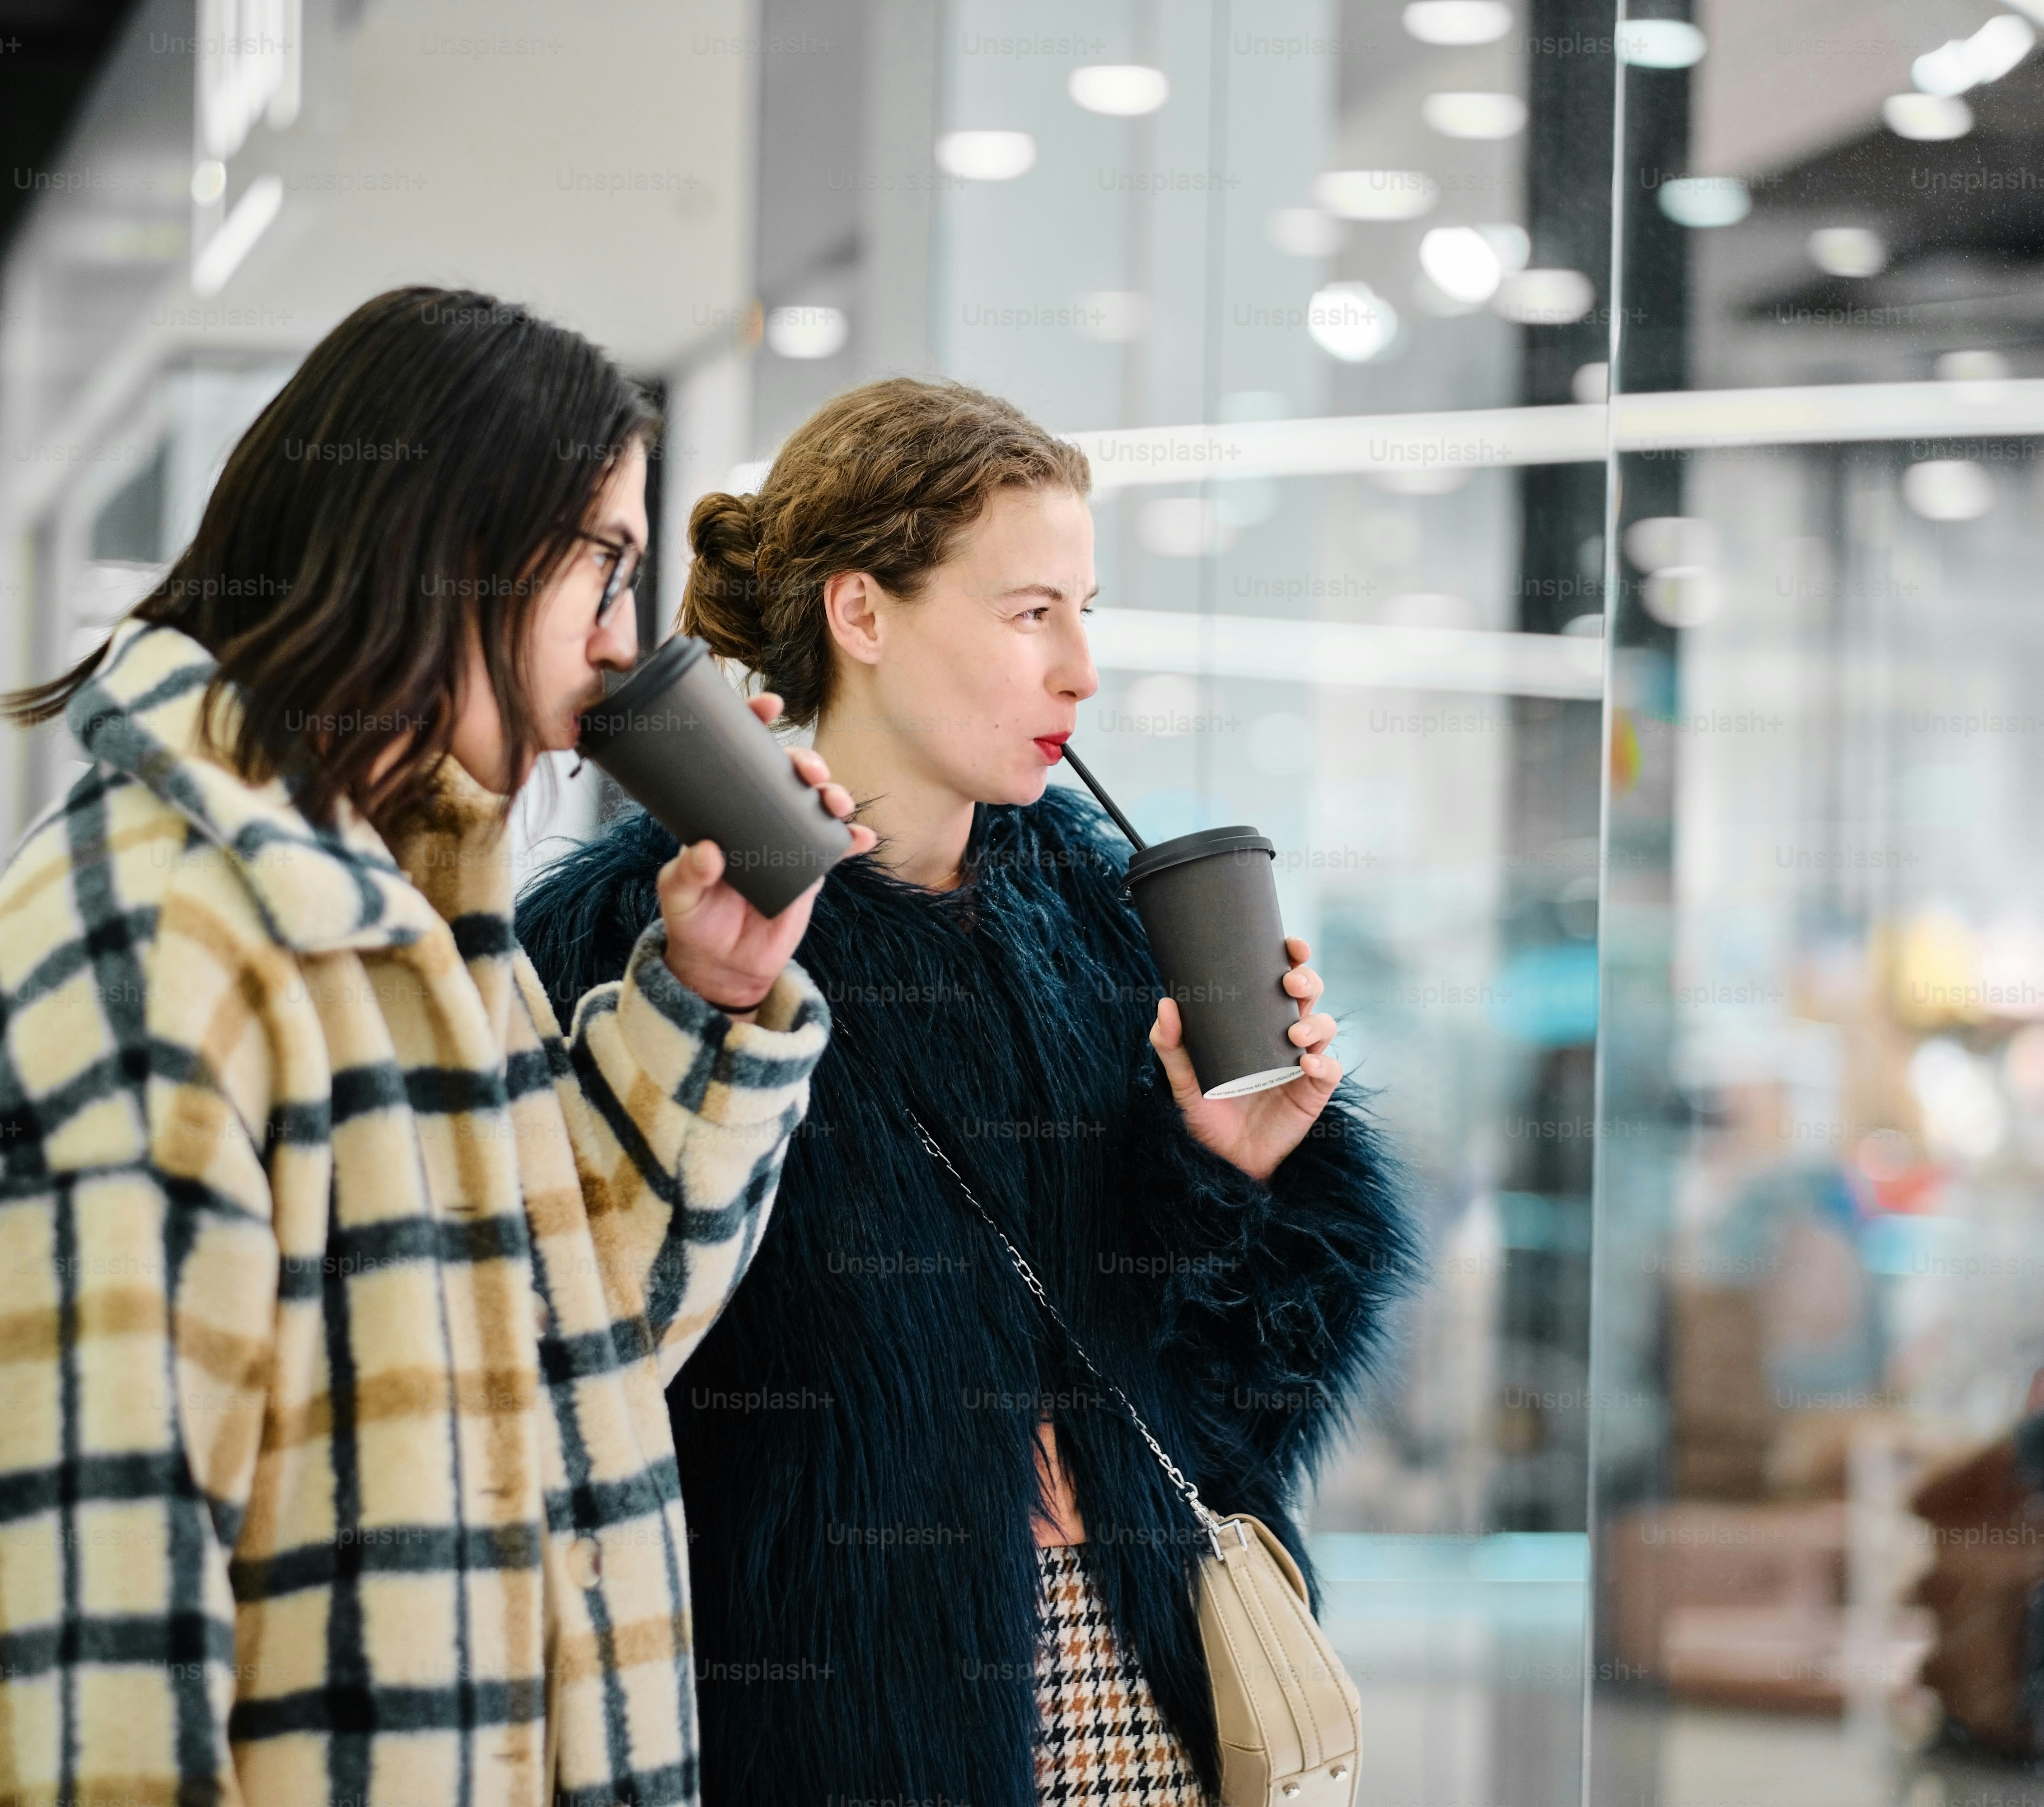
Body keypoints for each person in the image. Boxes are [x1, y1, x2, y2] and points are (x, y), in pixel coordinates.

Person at [0, 286, 870, 1806]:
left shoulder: (409, 922)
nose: (625, 642)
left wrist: (708, 997)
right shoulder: (152, 945)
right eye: (607, 567)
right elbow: (87, 1651)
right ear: (458, 543)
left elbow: (589, 1350)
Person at [516, 377, 1420, 1807]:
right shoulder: (630, 947)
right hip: (817, 1721)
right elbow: (576, 1375)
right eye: (1029, 613)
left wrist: (1232, 1173)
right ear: (860, 615)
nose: (1081, 672)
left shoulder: (1120, 928)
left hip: (1138, 1700)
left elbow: (1244, 1407)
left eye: (1087, 610)